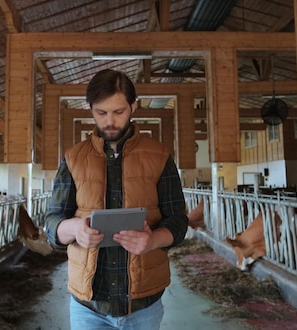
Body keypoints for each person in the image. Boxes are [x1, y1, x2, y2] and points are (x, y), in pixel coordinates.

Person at [44, 69, 189, 330]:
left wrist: (153, 239)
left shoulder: (159, 156)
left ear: (134, 106)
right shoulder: (74, 158)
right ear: (90, 109)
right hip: (88, 305)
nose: (110, 121)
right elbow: (52, 222)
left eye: (119, 112)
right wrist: (75, 229)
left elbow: (179, 222)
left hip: (143, 303)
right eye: (101, 112)